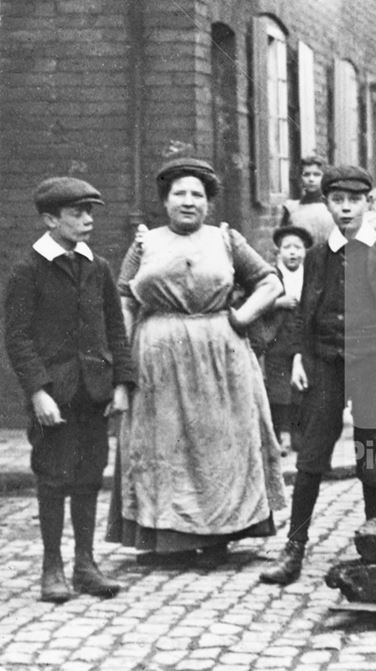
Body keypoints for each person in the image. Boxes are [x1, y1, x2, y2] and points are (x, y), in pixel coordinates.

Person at [107, 157, 285, 563]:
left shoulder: (226, 240)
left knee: (218, 445)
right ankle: (163, 539)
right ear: (166, 201)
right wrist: (123, 367)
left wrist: (241, 317)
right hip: (158, 360)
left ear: (208, 202)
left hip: (220, 359)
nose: (188, 202)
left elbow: (270, 282)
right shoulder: (144, 244)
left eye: (197, 195)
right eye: (179, 194)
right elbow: (126, 301)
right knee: (161, 448)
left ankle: (217, 536)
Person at [259, 165, 376, 586]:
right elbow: (304, 312)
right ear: (327, 204)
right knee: (311, 457)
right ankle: (293, 548)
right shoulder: (316, 257)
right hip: (325, 363)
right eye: (337, 200)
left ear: (368, 203)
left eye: (354, 200)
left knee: (373, 455)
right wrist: (297, 357)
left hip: (373, 364)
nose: (345, 208)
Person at [4, 178, 134, 603]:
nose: (87, 220)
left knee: (88, 478)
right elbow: (18, 337)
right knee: (53, 480)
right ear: (49, 219)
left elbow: (116, 329)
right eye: (77, 213)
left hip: (93, 393)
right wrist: (38, 391)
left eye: (90, 212)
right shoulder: (29, 270)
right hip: (53, 397)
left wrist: (121, 383)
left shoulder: (97, 267)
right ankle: (52, 567)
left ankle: (85, 564)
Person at [255, 225, 314, 449]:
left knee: (301, 389)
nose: (292, 253)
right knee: (278, 391)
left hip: (303, 339)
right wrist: (278, 302)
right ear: (278, 252)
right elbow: (256, 304)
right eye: (287, 247)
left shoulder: (309, 276)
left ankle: (299, 437)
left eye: (298, 248)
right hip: (277, 340)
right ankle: (276, 437)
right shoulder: (271, 275)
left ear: (305, 252)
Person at [280, 155, 332, 246]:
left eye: (317, 175)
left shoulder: (333, 207)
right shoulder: (291, 209)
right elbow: (283, 241)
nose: (311, 179)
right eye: (306, 174)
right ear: (300, 178)